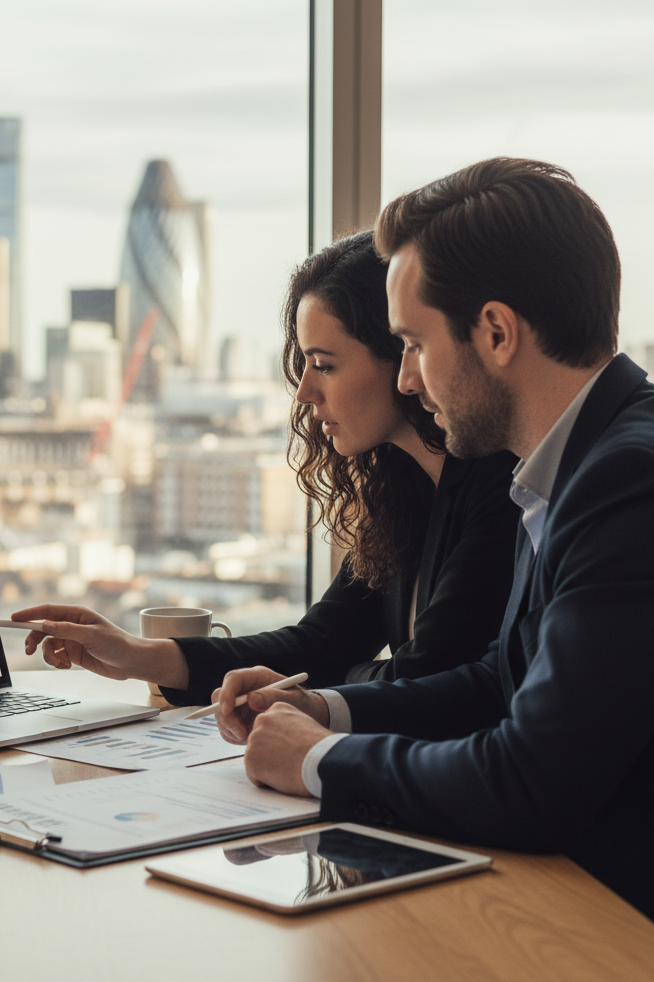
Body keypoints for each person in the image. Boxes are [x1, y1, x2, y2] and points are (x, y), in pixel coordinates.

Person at [221, 157, 654, 920]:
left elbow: (533, 785)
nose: (409, 380)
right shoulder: (564, 462)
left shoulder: (626, 483)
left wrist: (320, 761)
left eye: (414, 344)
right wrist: (329, 711)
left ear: (494, 332)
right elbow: (501, 680)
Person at [13, 232, 520, 702]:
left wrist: (342, 681)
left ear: (400, 354)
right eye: (304, 365)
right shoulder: (404, 487)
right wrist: (134, 654)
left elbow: (420, 682)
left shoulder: (502, 489)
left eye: (324, 365)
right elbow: (325, 641)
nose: (304, 392)